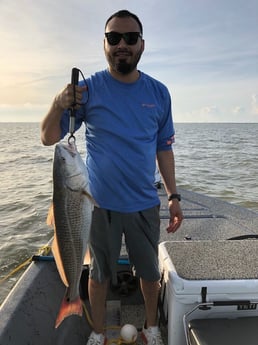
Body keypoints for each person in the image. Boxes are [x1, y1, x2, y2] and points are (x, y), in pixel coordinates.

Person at [41, 9, 183, 345]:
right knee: (100, 274)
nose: (122, 44)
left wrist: (174, 197)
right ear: (104, 44)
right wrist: (58, 103)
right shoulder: (86, 91)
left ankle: (151, 328)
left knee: (149, 274)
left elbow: (164, 149)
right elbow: (49, 137)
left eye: (130, 38)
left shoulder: (159, 93)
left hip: (144, 203)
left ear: (142, 45)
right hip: (97, 204)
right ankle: (97, 332)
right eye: (114, 37)